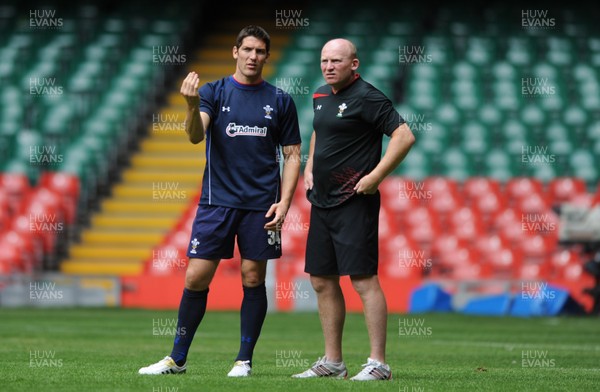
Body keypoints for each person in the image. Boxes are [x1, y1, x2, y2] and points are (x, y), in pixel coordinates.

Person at [139, 25, 301, 377]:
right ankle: (177, 359)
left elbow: (292, 156)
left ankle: (244, 360)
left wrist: (285, 202)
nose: (253, 57)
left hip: (262, 205)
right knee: (196, 277)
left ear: (266, 57)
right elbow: (196, 136)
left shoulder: (281, 100)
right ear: (235, 51)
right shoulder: (215, 91)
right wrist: (191, 105)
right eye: (247, 50)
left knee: (253, 277)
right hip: (216, 202)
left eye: (260, 51)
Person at [292, 38, 415, 381]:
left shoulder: (369, 97)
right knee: (320, 279)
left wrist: (375, 176)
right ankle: (333, 362)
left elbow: (404, 136)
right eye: (324, 60)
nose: (328, 66)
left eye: (336, 61)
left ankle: (379, 364)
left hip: (354, 202)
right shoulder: (319, 95)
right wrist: (310, 167)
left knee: (362, 280)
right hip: (322, 201)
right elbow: (320, 132)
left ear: (354, 65)